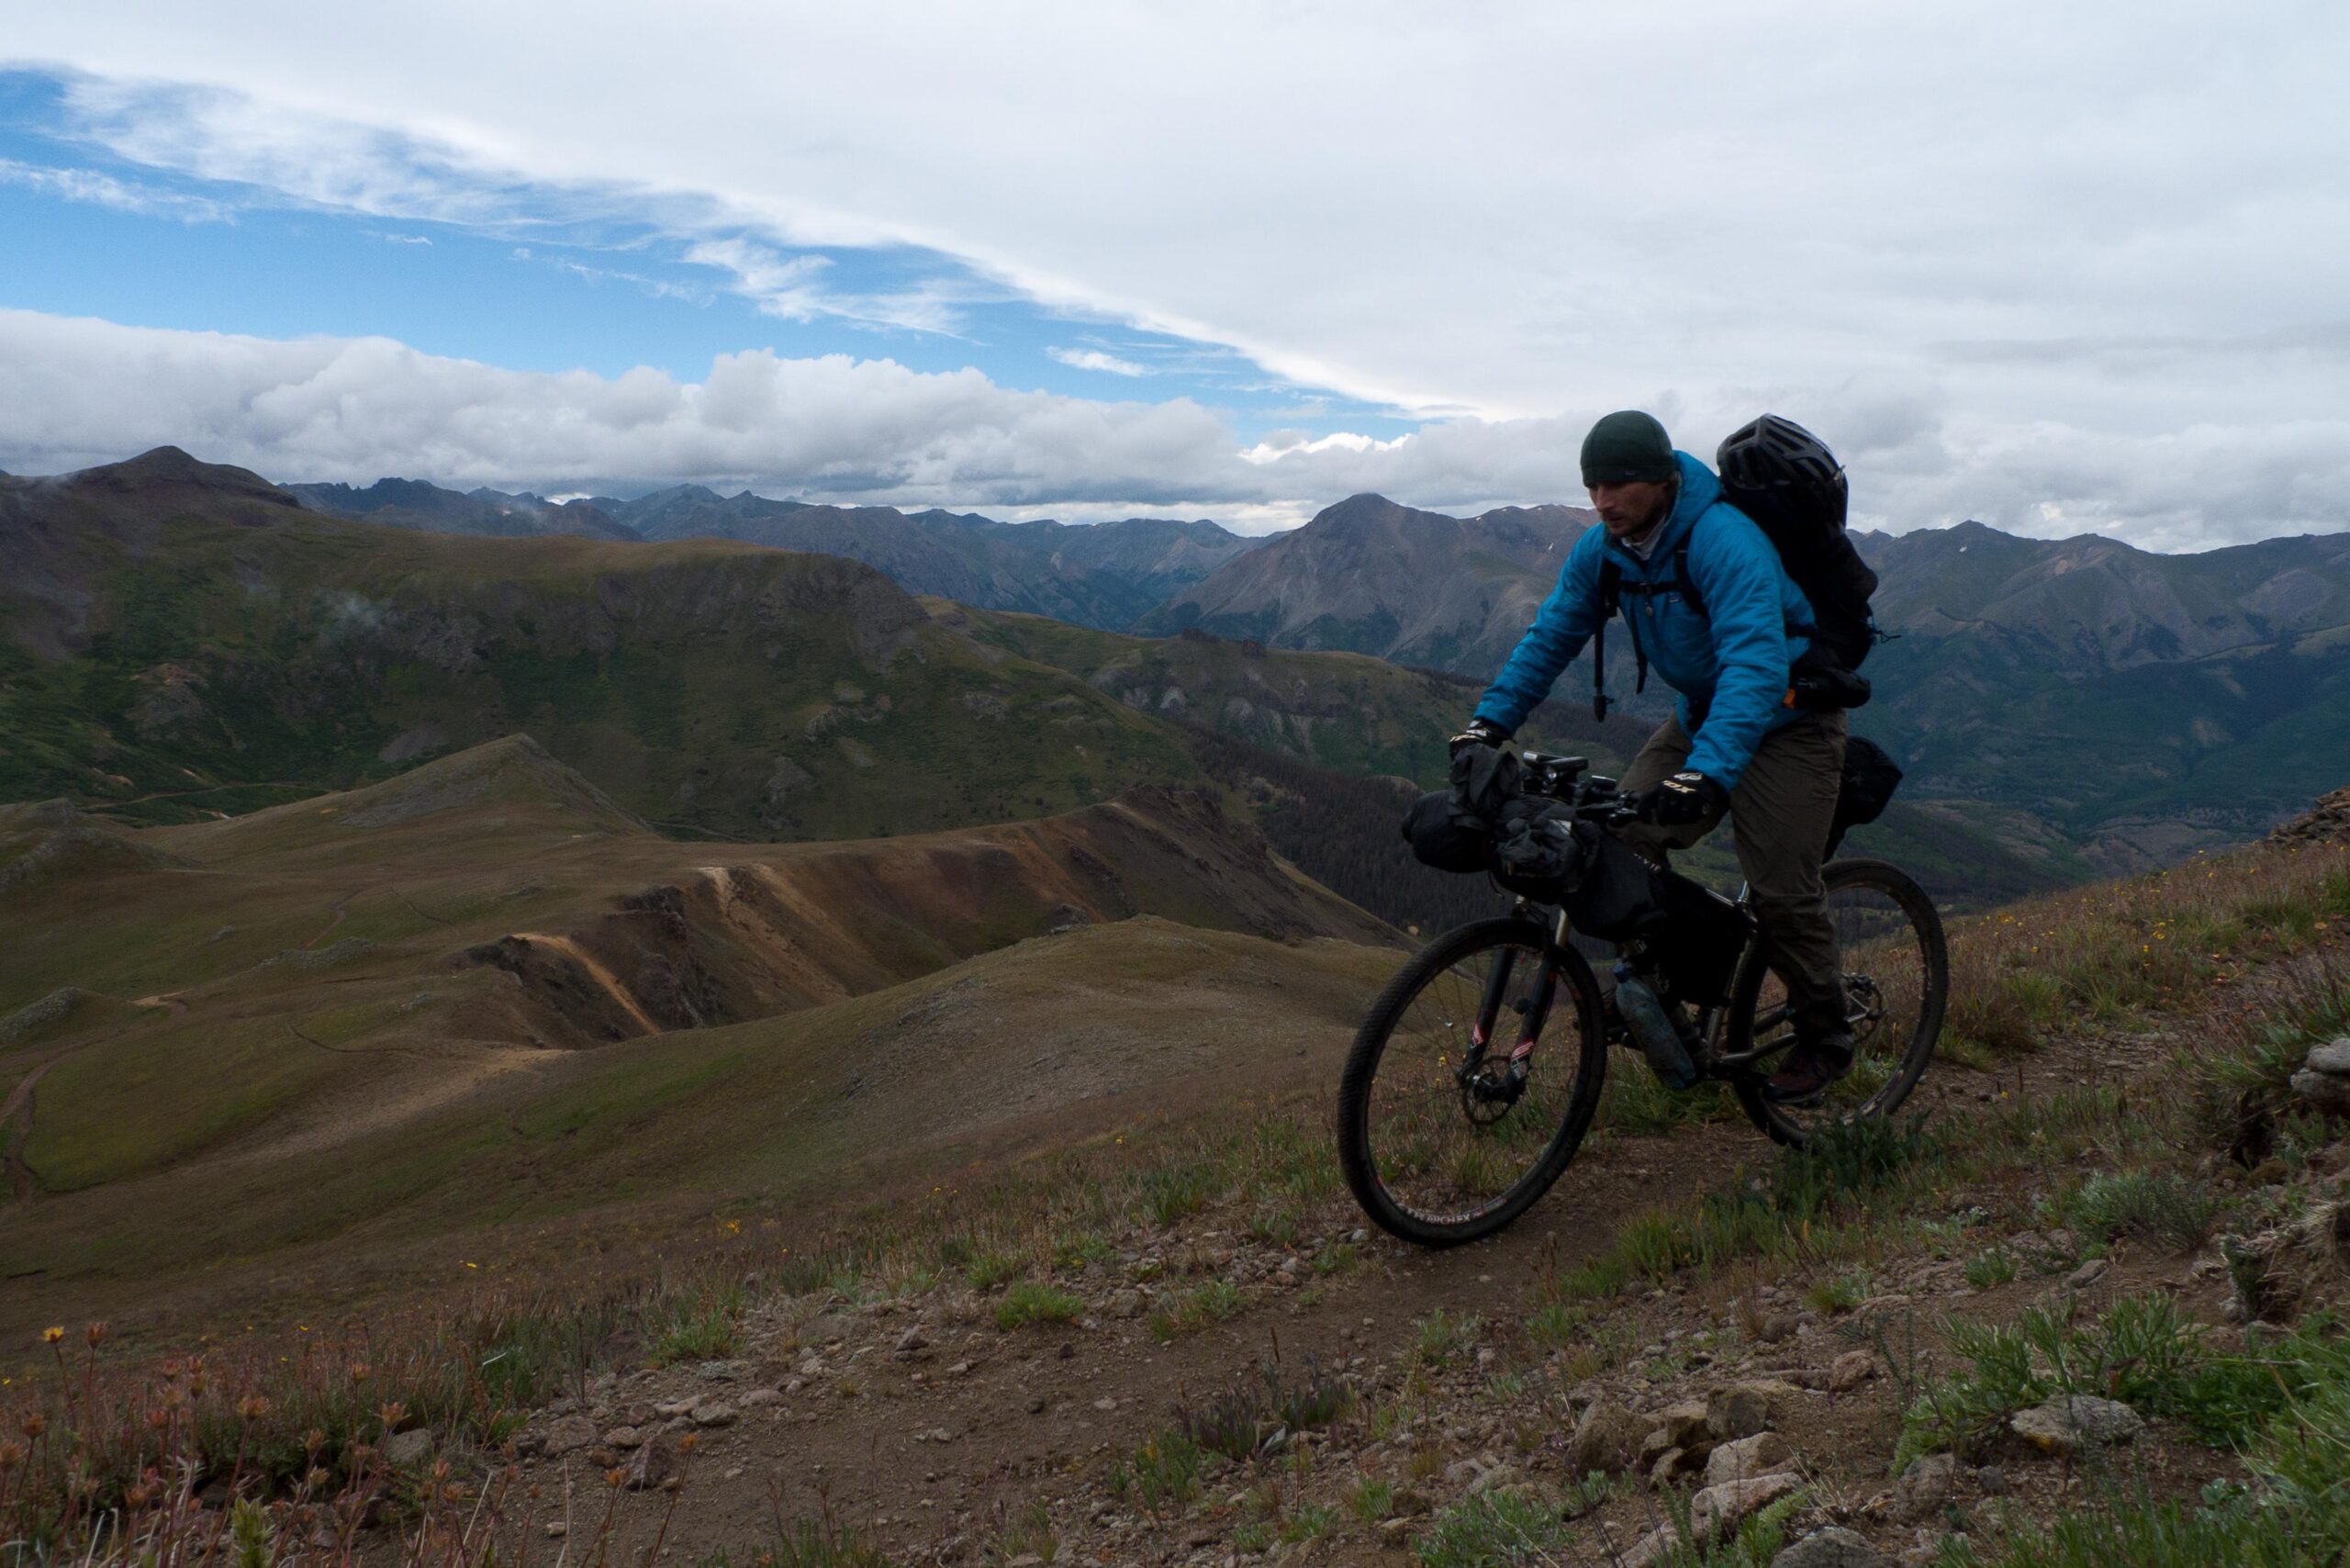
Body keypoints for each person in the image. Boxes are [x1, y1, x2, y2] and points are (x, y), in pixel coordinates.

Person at [1450, 410, 1852, 1103]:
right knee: (1614, 845)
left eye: (1621, 483)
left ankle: (1827, 1033)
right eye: (1593, 486)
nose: (1605, 501)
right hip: (1702, 715)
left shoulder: (1725, 541)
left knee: (1783, 891)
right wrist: (1488, 724)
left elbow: (1755, 667)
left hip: (1792, 725)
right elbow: (1551, 638)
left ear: (1664, 479)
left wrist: (1707, 775)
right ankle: (1662, 992)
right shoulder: (1602, 550)